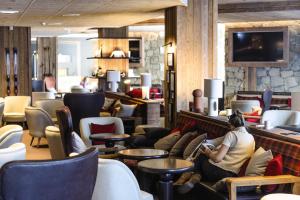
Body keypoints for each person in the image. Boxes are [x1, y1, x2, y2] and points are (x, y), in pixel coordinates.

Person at [175, 110, 255, 194]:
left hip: (218, 172)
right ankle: (194, 178)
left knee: (201, 157)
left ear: (231, 125)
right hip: (233, 174)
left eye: (229, 126)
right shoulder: (251, 138)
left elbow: (217, 159)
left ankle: (182, 180)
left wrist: (208, 152)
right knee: (201, 167)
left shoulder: (232, 134)